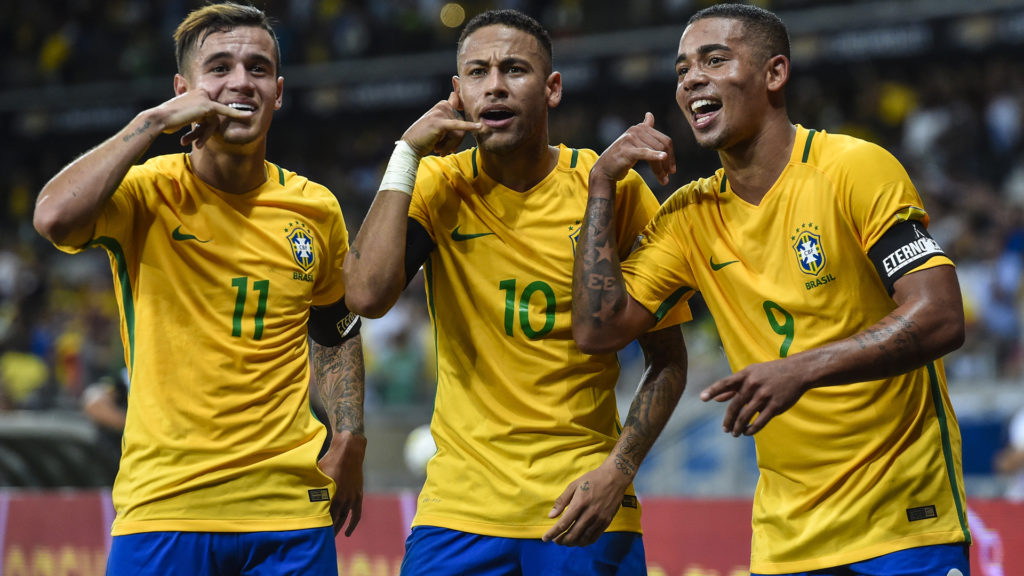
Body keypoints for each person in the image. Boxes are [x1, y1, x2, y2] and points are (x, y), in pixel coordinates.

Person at [571, 4, 971, 575]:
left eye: (714, 59)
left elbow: (939, 315)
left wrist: (801, 369)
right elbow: (597, 330)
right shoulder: (689, 216)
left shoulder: (854, 168)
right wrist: (601, 186)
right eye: (682, 70)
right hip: (787, 541)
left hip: (905, 523)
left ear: (774, 74)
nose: (692, 80)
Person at [342, 9, 689, 575]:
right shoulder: (438, 185)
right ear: (457, 93)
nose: (495, 85)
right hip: (460, 512)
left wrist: (619, 471)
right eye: (477, 73)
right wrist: (406, 155)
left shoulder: (610, 188)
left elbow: (668, 361)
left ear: (552, 88)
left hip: (585, 507)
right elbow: (364, 296)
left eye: (514, 70)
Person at [32, 3, 366, 575]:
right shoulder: (144, 192)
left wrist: (350, 438)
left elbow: (335, 329)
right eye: (220, 68)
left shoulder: (315, 208)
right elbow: (55, 218)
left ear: (278, 91)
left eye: (258, 68)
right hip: (165, 508)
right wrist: (151, 125)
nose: (240, 81)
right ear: (183, 89)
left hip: (290, 513)